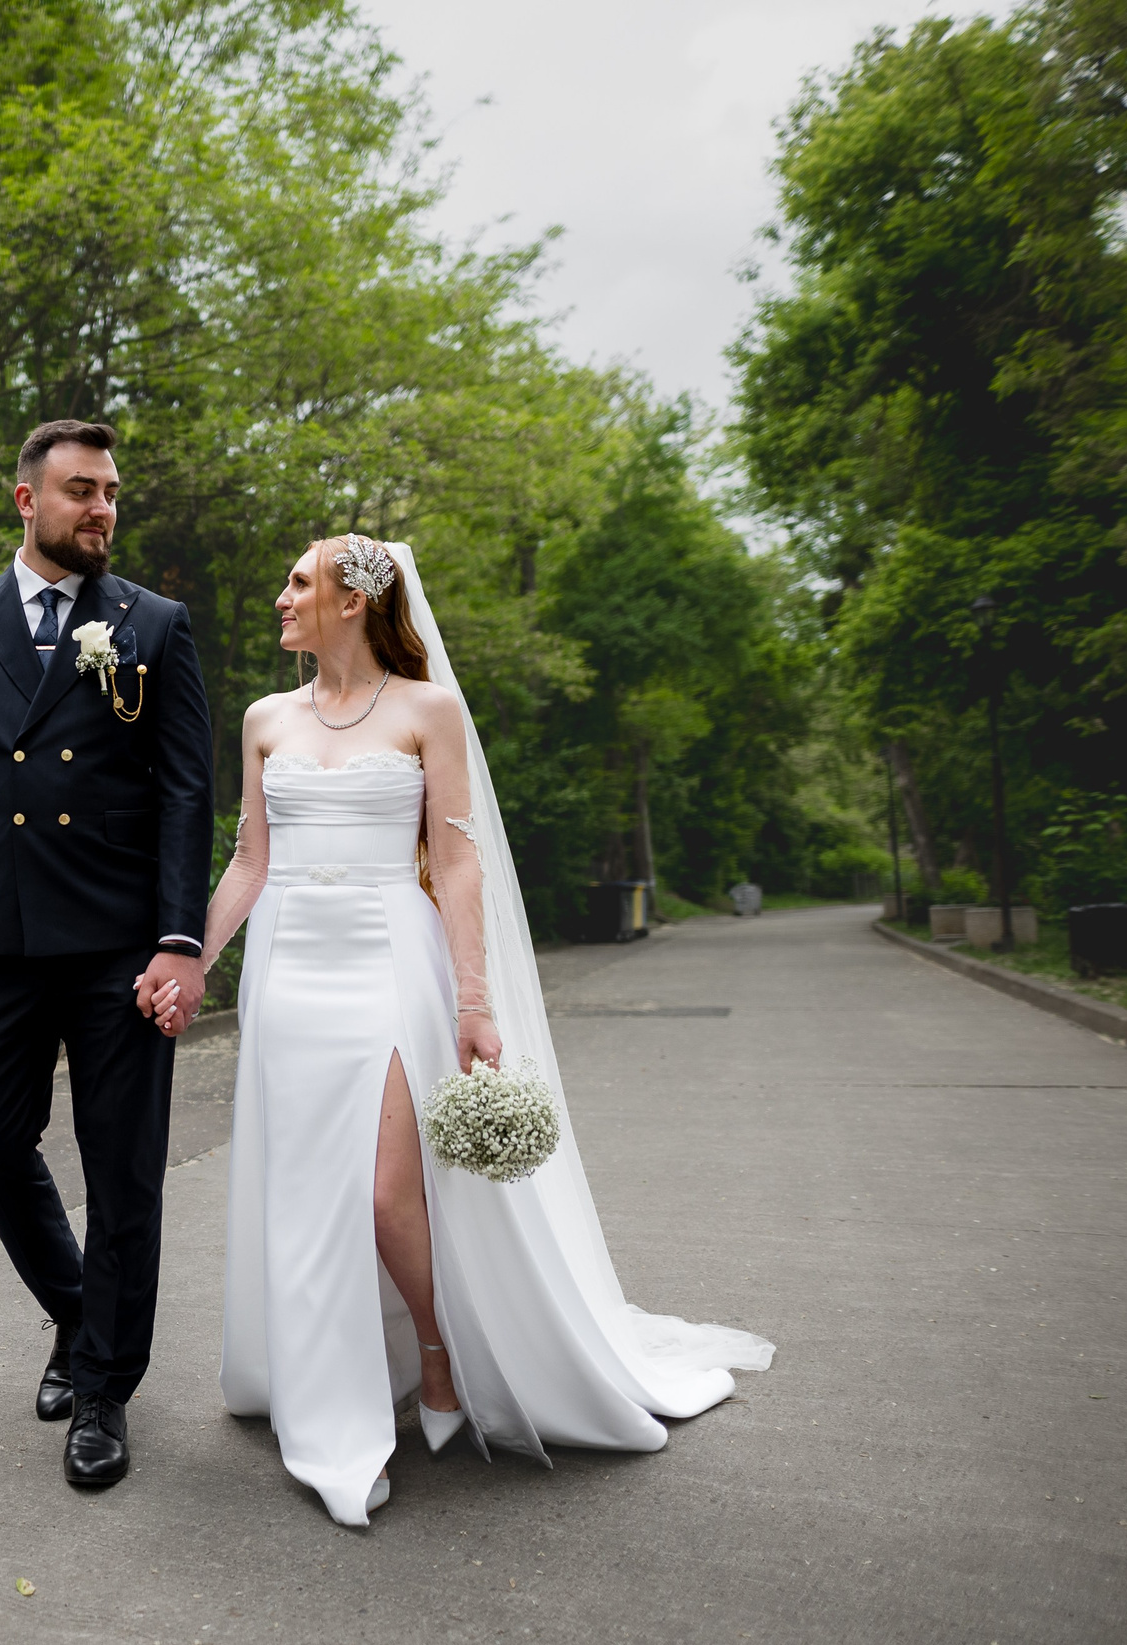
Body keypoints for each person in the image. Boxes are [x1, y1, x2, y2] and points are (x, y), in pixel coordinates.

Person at [175, 534, 772, 1527]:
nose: (277, 596)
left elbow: (455, 866)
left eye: (297, 582)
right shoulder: (265, 717)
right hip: (289, 975)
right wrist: (192, 958)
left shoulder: (427, 710)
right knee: (304, 1192)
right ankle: (329, 1399)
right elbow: (249, 861)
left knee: (382, 1194)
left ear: (356, 598)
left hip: (389, 962)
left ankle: (439, 1349)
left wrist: (473, 999)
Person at [0, 419, 215, 1490]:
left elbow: (183, 790)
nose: (102, 508)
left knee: (122, 1168)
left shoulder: (152, 623)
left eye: (111, 491)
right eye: (80, 491)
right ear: (26, 501)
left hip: (117, 941)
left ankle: (105, 1387)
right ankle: (79, 1311)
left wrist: (177, 938)